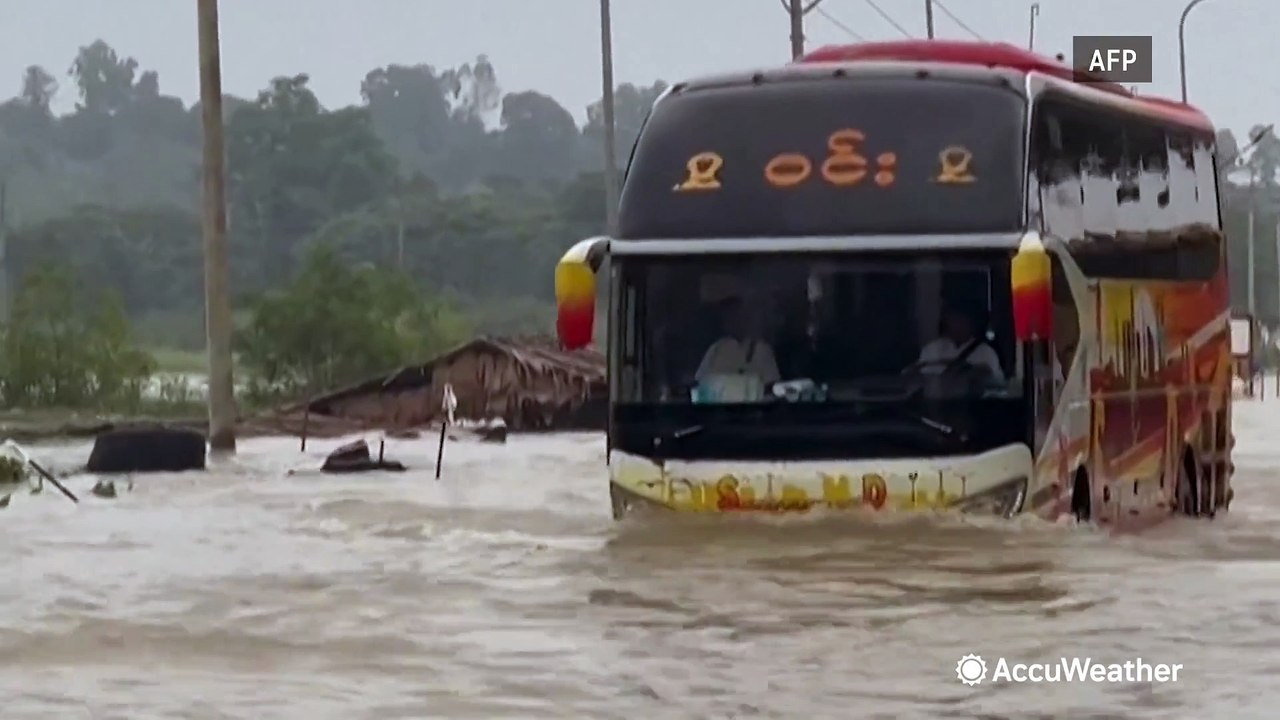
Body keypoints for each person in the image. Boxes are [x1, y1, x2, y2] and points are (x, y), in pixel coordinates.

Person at [695, 296, 781, 386]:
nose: (732, 321)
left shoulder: (761, 350)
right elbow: (700, 381)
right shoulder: (715, 349)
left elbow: (772, 384)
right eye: (727, 317)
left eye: (735, 315)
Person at [915, 306, 1005, 382]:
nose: (957, 324)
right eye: (953, 318)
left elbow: (995, 387)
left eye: (962, 319)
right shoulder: (931, 349)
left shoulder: (986, 353)